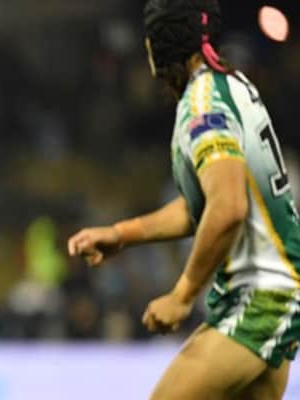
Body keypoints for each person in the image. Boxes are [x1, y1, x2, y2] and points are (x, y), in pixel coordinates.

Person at [68, 1, 299, 398]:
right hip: (267, 289)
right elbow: (207, 205)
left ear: (158, 47)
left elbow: (228, 208)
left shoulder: (202, 106)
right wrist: (122, 234)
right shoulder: (230, 85)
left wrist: (182, 295)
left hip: (262, 295)